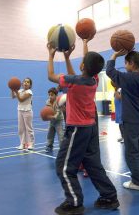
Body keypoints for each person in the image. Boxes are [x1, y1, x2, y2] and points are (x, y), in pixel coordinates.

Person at [47, 39, 119, 214]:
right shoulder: (93, 80)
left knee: (63, 166)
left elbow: (51, 76)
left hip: (77, 129)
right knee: (93, 164)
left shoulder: (75, 80)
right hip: (91, 128)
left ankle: (74, 202)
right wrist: (67, 58)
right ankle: (110, 196)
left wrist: (50, 55)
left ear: (82, 66)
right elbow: (76, 76)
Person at [106, 49, 139, 191]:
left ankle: (137, 182)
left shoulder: (128, 77)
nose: (125, 66)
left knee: (131, 152)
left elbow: (109, 71)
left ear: (131, 63)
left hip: (131, 120)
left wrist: (114, 55)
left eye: (125, 63)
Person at [11, 78, 35, 150]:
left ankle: (31, 144)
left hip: (27, 111)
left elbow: (21, 99)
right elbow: (12, 97)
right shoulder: (20, 90)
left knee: (29, 129)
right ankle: (22, 143)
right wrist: (12, 89)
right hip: (20, 110)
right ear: (22, 83)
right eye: (24, 81)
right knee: (21, 129)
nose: (26, 83)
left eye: (28, 82)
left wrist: (16, 92)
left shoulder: (29, 92)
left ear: (30, 85)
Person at [44, 87, 64, 153]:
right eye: (49, 95)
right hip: (52, 121)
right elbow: (47, 110)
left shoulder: (58, 101)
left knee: (60, 135)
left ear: (56, 95)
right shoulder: (47, 102)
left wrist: (54, 116)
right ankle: (49, 146)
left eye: (52, 95)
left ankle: (62, 148)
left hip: (59, 120)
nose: (50, 96)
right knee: (50, 134)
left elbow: (58, 111)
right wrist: (46, 116)